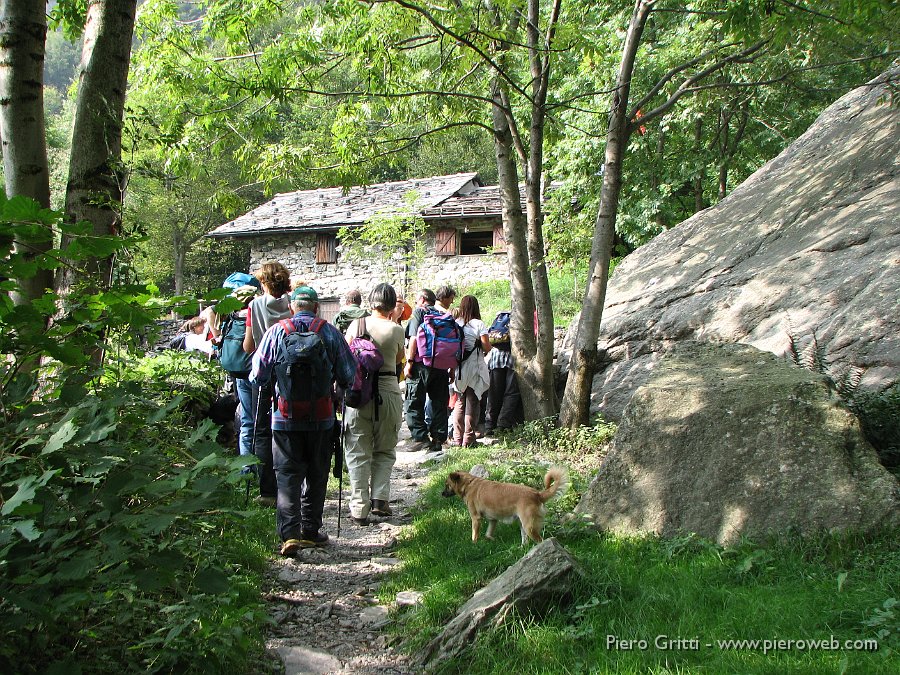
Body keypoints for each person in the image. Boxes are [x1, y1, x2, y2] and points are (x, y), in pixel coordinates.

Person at [250, 285, 356, 555]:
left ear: (291, 307)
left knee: (287, 476)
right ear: (317, 307)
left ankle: (289, 535)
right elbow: (348, 375)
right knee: (317, 473)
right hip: (321, 418)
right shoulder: (329, 332)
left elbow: (258, 377)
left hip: (284, 419)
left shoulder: (276, 332)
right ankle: (310, 530)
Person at [343, 283, 405, 525]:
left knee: (358, 450)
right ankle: (380, 499)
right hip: (388, 391)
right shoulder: (396, 330)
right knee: (385, 448)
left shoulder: (356, 325)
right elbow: (399, 359)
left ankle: (359, 508)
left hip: (359, 394)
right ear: (391, 306)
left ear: (371, 303)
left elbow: (345, 355)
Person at [243, 261, 293, 507]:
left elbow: (248, 346)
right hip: (288, 373)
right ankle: (291, 486)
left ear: (264, 282)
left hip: (262, 373)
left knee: (261, 430)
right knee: (287, 427)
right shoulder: (292, 306)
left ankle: (268, 491)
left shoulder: (254, 306)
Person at [403, 286, 456, 452]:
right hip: (441, 365)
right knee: (439, 402)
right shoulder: (444, 315)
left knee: (413, 402)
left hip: (420, 365)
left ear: (423, 300)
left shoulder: (420, 313)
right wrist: (452, 368)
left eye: (417, 299)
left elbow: (413, 339)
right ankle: (438, 439)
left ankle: (420, 438)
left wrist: (409, 362)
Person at [452, 295, 492, 447]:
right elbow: (486, 347)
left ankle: (457, 438)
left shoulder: (456, 323)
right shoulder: (478, 324)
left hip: (459, 368)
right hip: (474, 368)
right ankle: (468, 439)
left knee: (460, 402)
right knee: (473, 401)